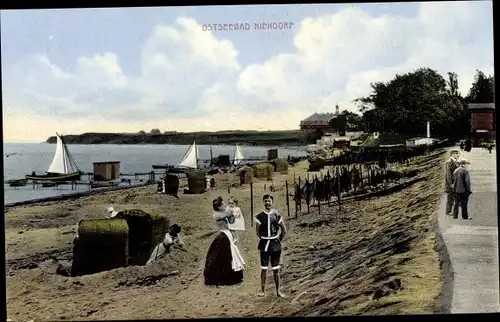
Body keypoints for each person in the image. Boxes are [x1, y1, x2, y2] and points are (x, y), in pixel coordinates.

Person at [204, 197, 245, 286]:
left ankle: (233, 277)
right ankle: (221, 278)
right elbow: (228, 214)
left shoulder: (224, 213)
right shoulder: (216, 215)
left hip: (228, 234)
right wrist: (233, 209)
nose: (225, 205)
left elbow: (232, 221)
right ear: (219, 207)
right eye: (223, 204)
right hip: (223, 235)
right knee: (223, 256)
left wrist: (234, 214)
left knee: (231, 255)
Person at [254, 194, 287, 298]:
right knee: (263, 268)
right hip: (264, 245)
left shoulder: (277, 215)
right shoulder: (259, 216)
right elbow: (257, 232)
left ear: (272, 202)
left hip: (275, 245)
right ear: (263, 202)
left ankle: (278, 291)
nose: (267, 203)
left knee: (276, 269)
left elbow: (284, 230)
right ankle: (263, 291)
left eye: (269, 201)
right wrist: (264, 239)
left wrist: (278, 240)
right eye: (265, 201)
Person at [444, 150, 459, 216]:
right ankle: (448, 211)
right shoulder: (449, 162)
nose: (456, 154)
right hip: (451, 184)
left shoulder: (455, 162)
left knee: (454, 196)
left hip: (455, 183)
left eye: (456, 153)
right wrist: (451, 184)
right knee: (450, 197)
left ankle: (452, 211)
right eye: (454, 153)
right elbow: (448, 175)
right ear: (451, 154)